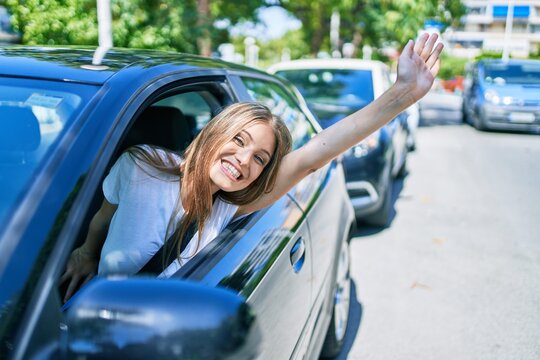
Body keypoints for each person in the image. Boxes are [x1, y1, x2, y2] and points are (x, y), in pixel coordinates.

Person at [60, 33, 444, 302]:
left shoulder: (229, 208)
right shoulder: (142, 163)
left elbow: (314, 156)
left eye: (260, 158)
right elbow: (104, 214)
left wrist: (402, 94)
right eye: (238, 141)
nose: (244, 160)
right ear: (214, 134)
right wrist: (85, 251)